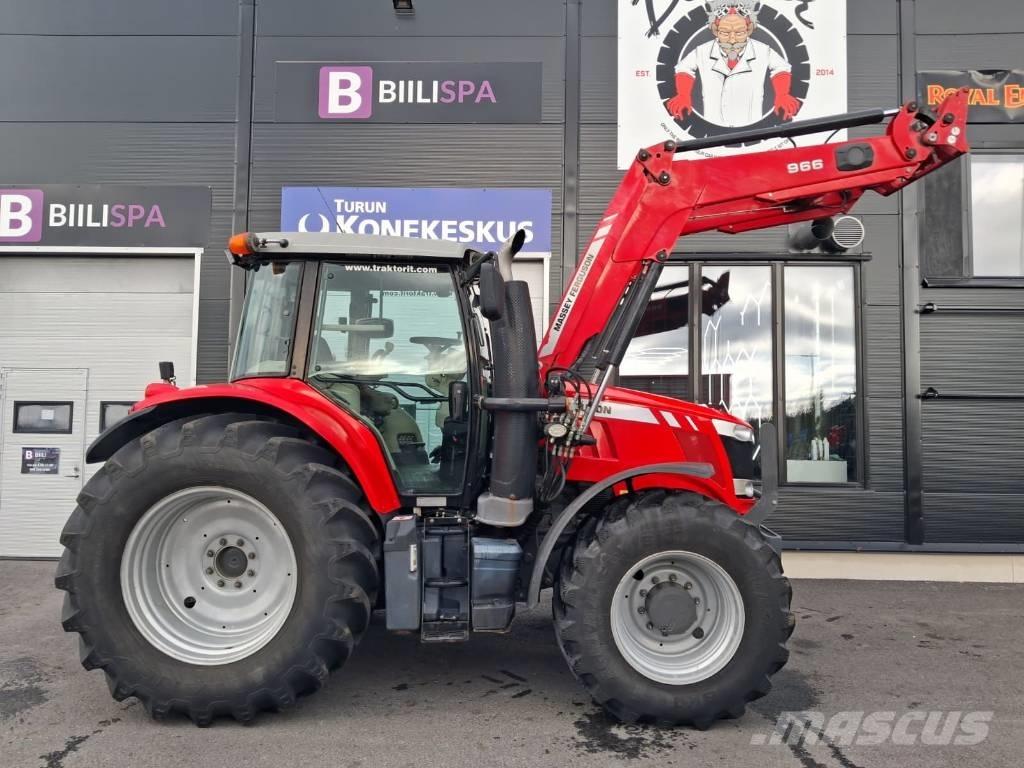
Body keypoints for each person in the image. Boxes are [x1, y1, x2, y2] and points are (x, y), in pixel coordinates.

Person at [666, 2, 802, 127]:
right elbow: (684, 68)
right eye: (725, 32)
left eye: (739, 32)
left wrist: (782, 94)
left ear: (749, 29)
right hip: (714, 124)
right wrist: (683, 95)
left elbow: (781, 67)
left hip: (751, 124)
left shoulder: (763, 50)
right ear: (715, 29)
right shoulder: (702, 51)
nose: (732, 39)